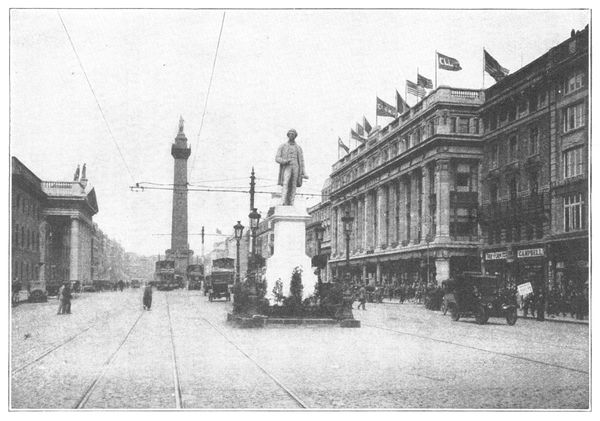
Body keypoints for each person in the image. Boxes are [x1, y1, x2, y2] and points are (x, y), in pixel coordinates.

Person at [275, 129, 308, 206]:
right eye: (290, 134)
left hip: (296, 167)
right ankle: (283, 201)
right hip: (287, 166)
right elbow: (277, 158)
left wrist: (303, 172)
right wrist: (285, 161)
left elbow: (302, 161)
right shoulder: (282, 146)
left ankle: (291, 202)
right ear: (288, 135)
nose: (291, 135)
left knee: (293, 185)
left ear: (295, 136)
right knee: (285, 183)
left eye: (293, 134)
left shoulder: (298, 148)